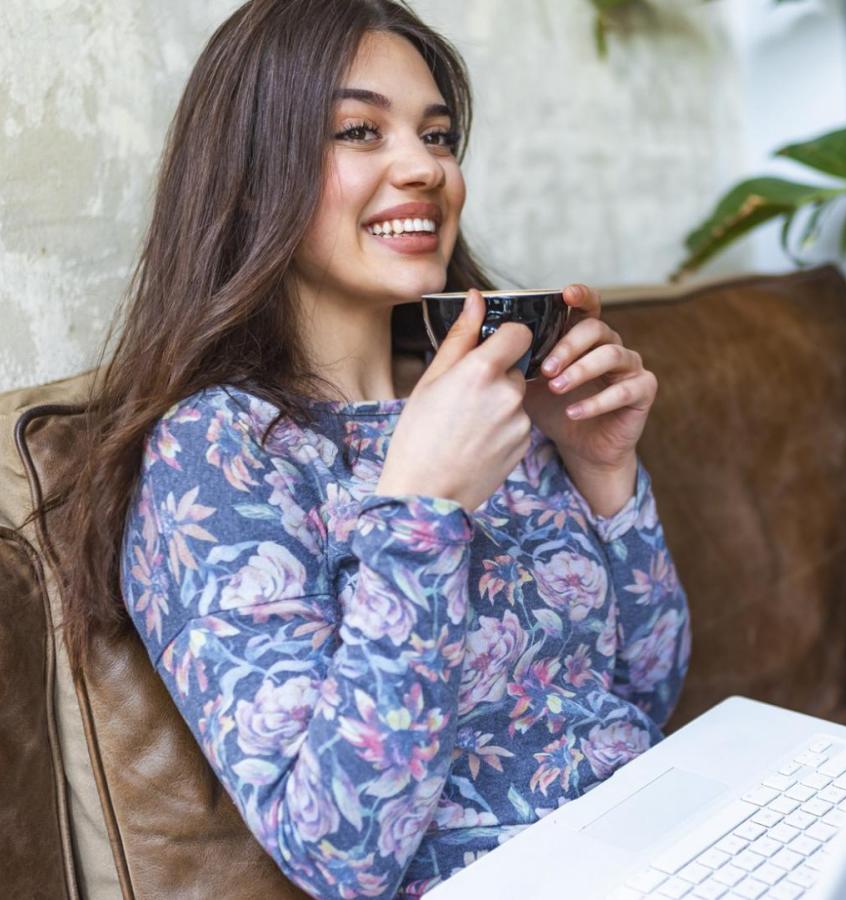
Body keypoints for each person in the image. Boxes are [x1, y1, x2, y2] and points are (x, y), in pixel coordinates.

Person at [49, 0, 690, 897]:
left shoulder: (492, 390)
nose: (423, 166)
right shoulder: (218, 456)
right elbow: (340, 851)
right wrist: (424, 512)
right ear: (250, 177)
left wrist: (604, 473)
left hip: (673, 840)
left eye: (438, 135)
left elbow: (643, 696)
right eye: (360, 130)